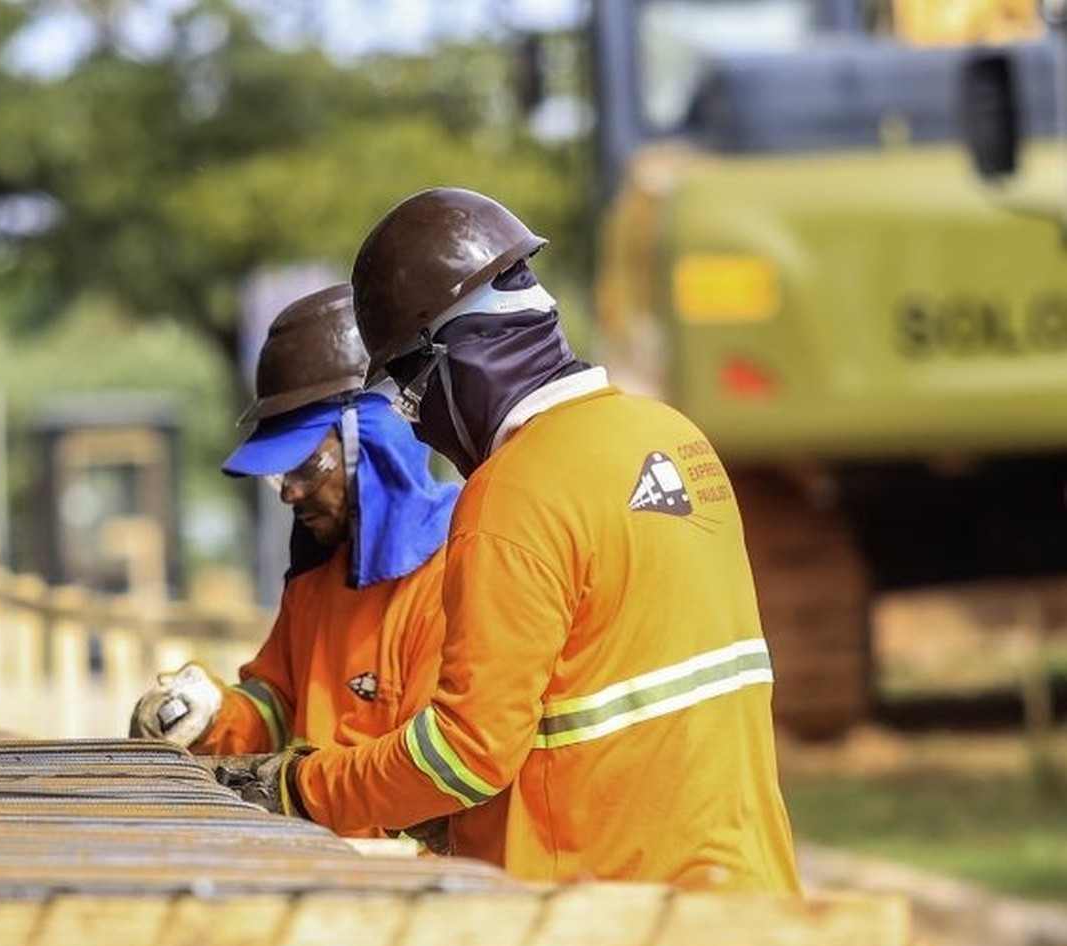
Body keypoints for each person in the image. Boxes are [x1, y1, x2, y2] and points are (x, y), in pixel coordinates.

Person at [210, 188, 801, 892]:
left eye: (409, 385)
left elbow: (464, 753)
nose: (418, 423)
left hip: (603, 917)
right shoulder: (674, 437)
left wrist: (303, 788)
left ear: (457, 359)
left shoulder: (512, 497)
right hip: (742, 900)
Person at [129, 283, 460, 837]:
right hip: (316, 864)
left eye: (305, 467)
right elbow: (274, 704)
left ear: (375, 445)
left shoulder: (456, 579)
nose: (289, 495)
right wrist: (210, 716)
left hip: (411, 891)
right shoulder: (316, 586)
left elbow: (438, 781)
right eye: (280, 476)